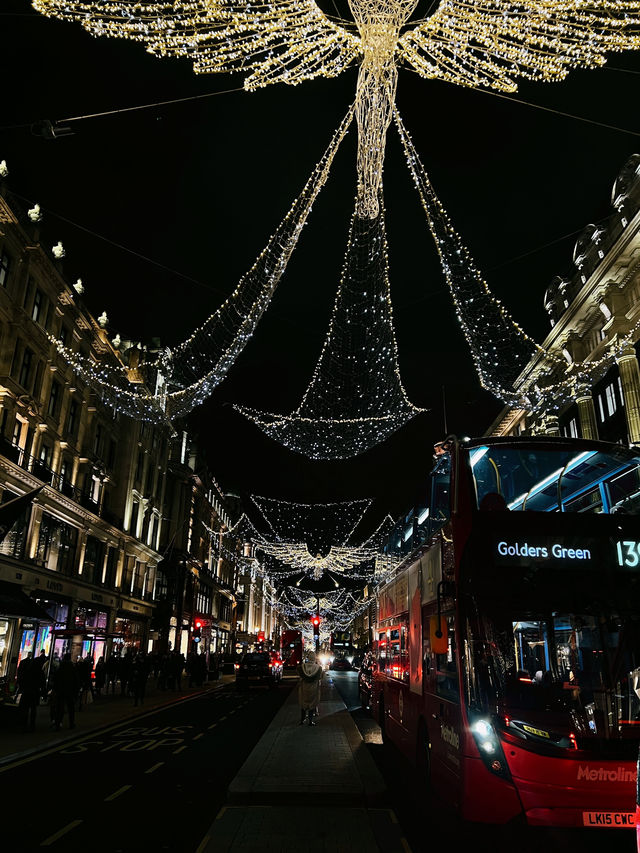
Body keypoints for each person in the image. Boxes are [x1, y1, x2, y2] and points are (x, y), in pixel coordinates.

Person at [17, 654, 45, 732]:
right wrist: (43, 693)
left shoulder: (28, 670)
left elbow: (22, 679)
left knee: (25, 708)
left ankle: (24, 724)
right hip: (35, 692)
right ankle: (32, 725)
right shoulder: (40, 672)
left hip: (27, 691)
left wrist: (21, 688)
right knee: (33, 709)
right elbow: (42, 683)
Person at [52, 653, 79, 730]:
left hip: (61, 690)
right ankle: (71, 723)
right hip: (70, 691)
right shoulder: (72, 668)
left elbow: (56, 679)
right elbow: (76, 680)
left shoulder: (60, 667)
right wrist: (76, 691)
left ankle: (58, 723)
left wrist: (56, 689)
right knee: (71, 708)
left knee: (60, 708)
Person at [297, 650, 323, 726]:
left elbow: (299, 673)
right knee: (312, 704)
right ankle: (310, 721)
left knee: (303, 703)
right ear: (315, 658)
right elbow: (321, 677)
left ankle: (302, 719)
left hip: (304, 687)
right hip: (313, 688)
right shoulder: (318, 668)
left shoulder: (302, 667)